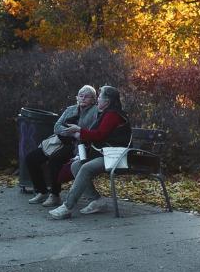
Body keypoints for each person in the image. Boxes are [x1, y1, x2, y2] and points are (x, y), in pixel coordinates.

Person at [49, 85, 132, 220]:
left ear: (107, 101)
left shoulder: (113, 115)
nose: (98, 99)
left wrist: (79, 130)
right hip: (106, 154)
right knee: (76, 165)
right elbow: (97, 135)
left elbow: (99, 135)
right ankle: (97, 200)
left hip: (116, 157)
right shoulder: (107, 113)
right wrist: (79, 134)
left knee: (86, 167)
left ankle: (67, 207)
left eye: (99, 97)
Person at [26, 85, 98, 207]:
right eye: (81, 95)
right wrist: (72, 131)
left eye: (87, 96)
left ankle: (55, 195)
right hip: (59, 141)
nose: (83, 98)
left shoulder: (95, 112)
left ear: (93, 99)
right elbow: (57, 127)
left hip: (79, 146)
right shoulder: (70, 109)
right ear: (77, 97)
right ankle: (42, 191)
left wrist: (77, 134)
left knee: (55, 160)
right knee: (31, 158)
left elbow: (92, 131)